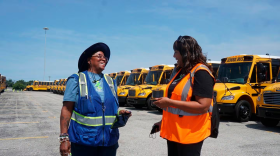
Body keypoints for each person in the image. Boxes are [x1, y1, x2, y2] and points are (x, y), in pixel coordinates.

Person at [59, 42, 131, 156]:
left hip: (109, 143)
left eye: (105, 57)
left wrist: (120, 114)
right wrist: (64, 138)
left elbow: (108, 109)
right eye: (99, 56)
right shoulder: (76, 79)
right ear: (89, 60)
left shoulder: (111, 82)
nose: (104, 59)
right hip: (83, 143)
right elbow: (67, 109)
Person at [153, 36, 215, 156]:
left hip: (190, 135)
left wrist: (169, 103)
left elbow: (203, 106)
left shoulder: (201, 72)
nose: (174, 56)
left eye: (176, 52)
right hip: (174, 133)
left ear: (186, 53)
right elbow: (175, 99)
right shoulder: (179, 72)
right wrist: (162, 122)